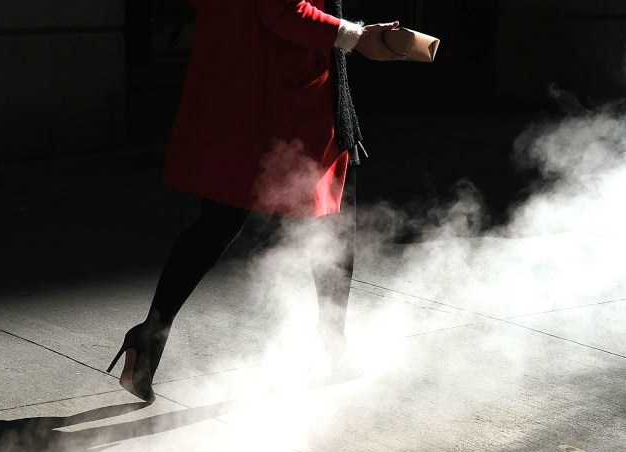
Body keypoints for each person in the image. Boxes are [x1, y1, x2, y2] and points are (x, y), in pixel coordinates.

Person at [108, 0, 405, 402]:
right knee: (334, 216)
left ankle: (149, 336)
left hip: (243, 82)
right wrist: (357, 37)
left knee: (219, 221)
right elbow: (281, 10)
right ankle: (332, 344)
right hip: (284, 95)